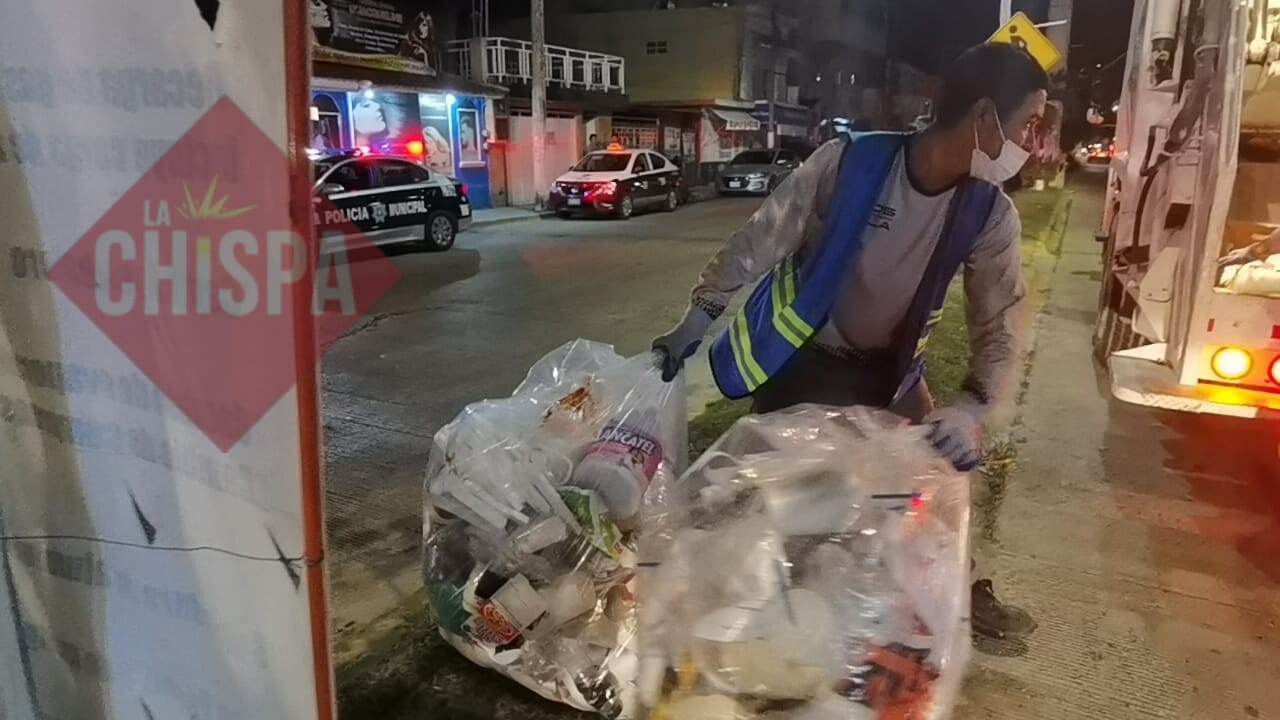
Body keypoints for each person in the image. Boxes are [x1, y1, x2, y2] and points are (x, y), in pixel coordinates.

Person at [652, 43, 1047, 641]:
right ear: (986, 116)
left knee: (934, 489)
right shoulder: (853, 164)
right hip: (803, 365)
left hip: (891, 375)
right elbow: (761, 240)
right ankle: (767, 628)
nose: (1033, 143)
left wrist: (969, 410)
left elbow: (999, 327)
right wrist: (697, 317)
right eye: (1029, 124)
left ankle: (957, 594)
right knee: (800, 512)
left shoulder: (989, 214)